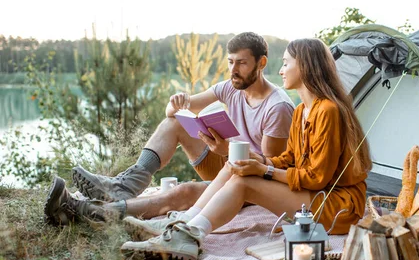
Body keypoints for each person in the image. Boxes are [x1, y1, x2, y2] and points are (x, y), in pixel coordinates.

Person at [120, 38, 372, 260]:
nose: (281, 70)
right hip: (314, 194)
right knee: (235, 165)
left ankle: (188, 237)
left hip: (336, 205)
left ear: (304, 66)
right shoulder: (300, 111)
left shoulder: (327, 110)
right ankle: (184, 223)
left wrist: (264, 170)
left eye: (286, 63)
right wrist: (257, 160)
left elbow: (318, 178)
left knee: (245, 183)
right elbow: (289, 160)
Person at [44, 32, 295, 226]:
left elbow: (271, 169)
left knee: (183, 192)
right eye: (230, 62)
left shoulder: (278, 107)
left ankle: (88, 212)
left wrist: (227, 149)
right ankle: (126, 185)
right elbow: (174, 114)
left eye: (241, 63)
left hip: (250, 181)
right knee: (175, 123)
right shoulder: (230, 87)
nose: (233, 70)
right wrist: (174, 103)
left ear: (261, 63)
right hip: (226, 162)